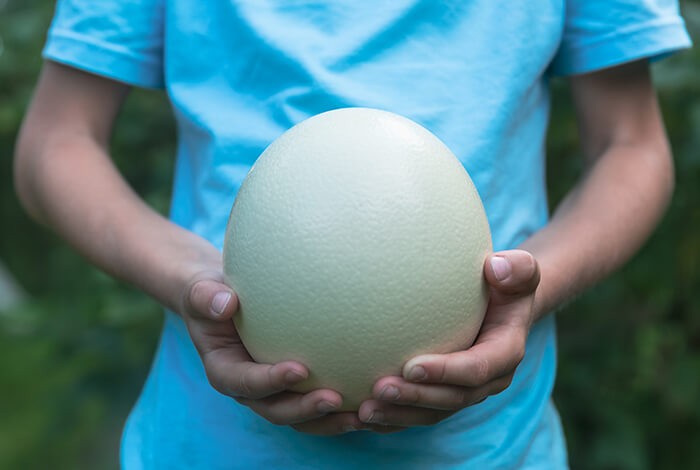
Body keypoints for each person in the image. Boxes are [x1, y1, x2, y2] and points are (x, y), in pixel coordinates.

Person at [14, 1, 691, 468]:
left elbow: (630, 144)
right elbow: (57, 142)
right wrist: (190, 278)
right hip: (212, 447)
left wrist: (531, 284)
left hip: (490, 453)